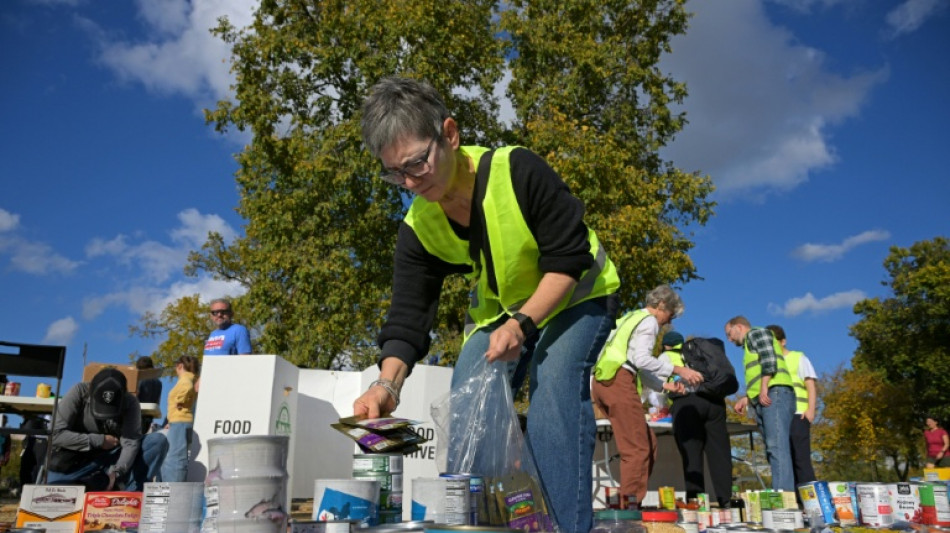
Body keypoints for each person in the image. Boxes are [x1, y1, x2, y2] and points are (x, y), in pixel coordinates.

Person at [352, 76, 621, 532]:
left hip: (576, 295)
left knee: (553, 382)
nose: (409, 182)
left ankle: (562, 526)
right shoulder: (418, 226)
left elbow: (569, 259)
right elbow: (408, 314)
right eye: (394, 173)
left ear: (450, 134)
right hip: (502, 315)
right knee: (468, 405)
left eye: (416, 163)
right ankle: (474, 523)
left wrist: (522, 324)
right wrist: (387, 385)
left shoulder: (517, 170)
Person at [591, 286, 703, 505]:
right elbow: (641, 360)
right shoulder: (650, 322)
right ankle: (628, 508)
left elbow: (634, 363)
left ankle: (630, 499)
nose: (667, 322)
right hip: (618, 382)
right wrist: (680, 370)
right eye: (669, 316)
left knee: (649, 442)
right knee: (637, 447)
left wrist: (665, 386)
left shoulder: (630, 317)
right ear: (662, 305)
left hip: (603, 381)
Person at [47, 368, 168, 491]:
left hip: (111, 460)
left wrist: (116, 472)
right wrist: (99, 440)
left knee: (157, 441)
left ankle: (129, 495)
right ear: (90, 391)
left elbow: (130, 443)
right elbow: (55, 434)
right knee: (54, 494)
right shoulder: (78, 392)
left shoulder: (131, 402)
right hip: (75, 461)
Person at [658, 331, 733, 505]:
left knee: (692, 455)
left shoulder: (666, 356)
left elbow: (657, 387)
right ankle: (727, 502)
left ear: (666, 345)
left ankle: (696, 505)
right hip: (715, 402)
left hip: (687, 403)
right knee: (720, 454)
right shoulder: (698, 353)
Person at [727, 316, 795, 491]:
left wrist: (764, 386)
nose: (730, 339)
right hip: (765, 395)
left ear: (739, 327)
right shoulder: (749, 345)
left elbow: (768, 360)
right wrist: (748, 398)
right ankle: (781, 493)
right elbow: (758, 372)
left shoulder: (757, 333)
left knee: (777, 446)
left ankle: (783, 497)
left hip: (774, 392)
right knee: (772, 448)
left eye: (730, 334)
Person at [766, 324, 817, 487]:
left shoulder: (798, 357)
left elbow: (810, 385)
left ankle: (811, 501)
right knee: (783, 458)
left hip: (799, 414)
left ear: (783, 341)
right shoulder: (768, 364)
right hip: (778, 415)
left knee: (800, 458)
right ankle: (793, 499)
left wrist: (811, 410)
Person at [160, 355, 199, 482]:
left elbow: (186, 388)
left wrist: (180, 400)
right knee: (176, 456)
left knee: (175, 457)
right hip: (180, 421)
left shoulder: (185, 380)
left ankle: (173, 490)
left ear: (180, 366)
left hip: (180, 421)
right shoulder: (190, 379)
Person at [135, 356, 162, 435]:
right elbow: (157, 401)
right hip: (149, 417)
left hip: (137, 416)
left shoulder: (140, 379)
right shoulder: (158, 383)